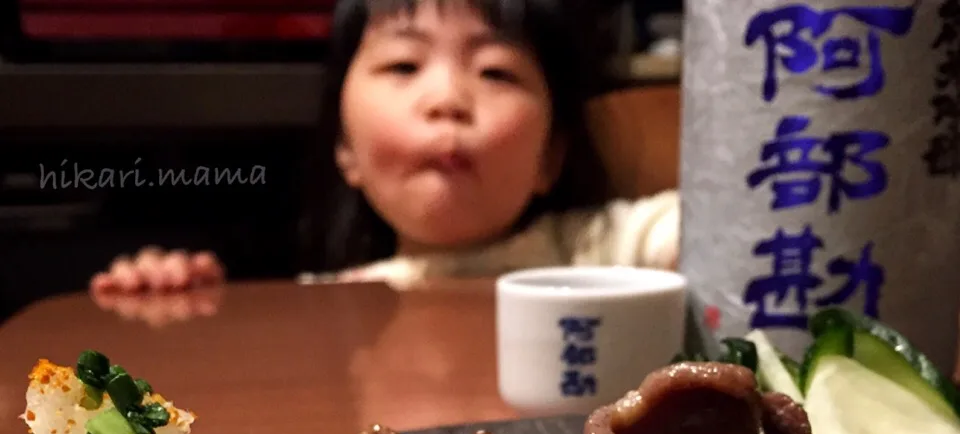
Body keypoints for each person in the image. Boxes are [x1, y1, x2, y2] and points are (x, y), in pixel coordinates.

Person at [90, 0, 679, 305]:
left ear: (551, 155)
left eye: (496, 72)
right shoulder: (322, 307)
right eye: (403, 64)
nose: (448, 99)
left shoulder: (608, 250)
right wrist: (177, 303)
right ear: (346, 150)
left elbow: (731, 224)